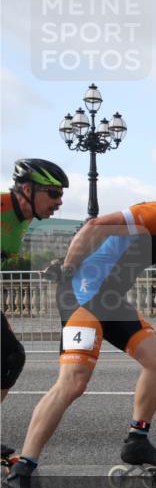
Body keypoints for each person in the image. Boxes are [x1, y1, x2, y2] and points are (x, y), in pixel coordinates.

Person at [3, 168, 156, 488]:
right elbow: (94, 226)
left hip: (109, 301)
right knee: (73, 383)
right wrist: (69, 267)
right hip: (83, 299)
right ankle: (24, 469)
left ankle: (137, 441)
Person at [1, 159, 68, 465]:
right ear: (27, 189)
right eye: (53, 193)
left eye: (61, 194)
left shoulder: (25, 219)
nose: (59, 201)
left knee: (9, 358)